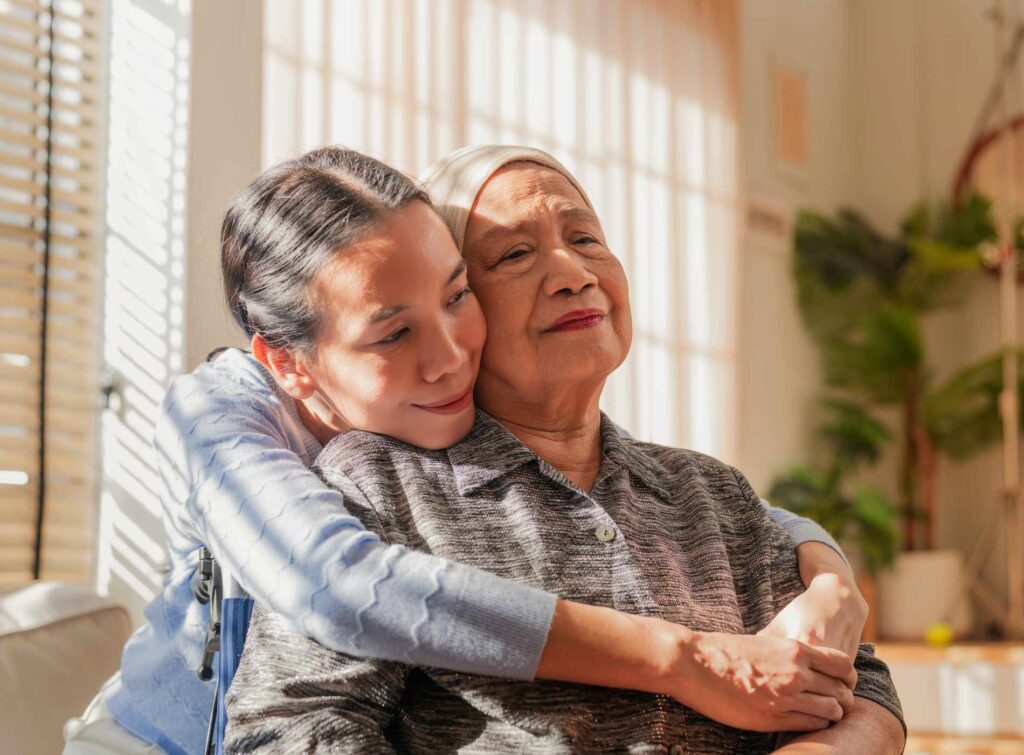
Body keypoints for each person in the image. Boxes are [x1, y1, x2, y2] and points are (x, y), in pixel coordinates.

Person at [64, 147, 868, 755]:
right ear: (291, 363)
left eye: (455, 297)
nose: (451, 356)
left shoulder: (700, 487)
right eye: (514, 254)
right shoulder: (246, 428)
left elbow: (850, 665)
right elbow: (341, 590)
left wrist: (827, 567)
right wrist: (683, 657)